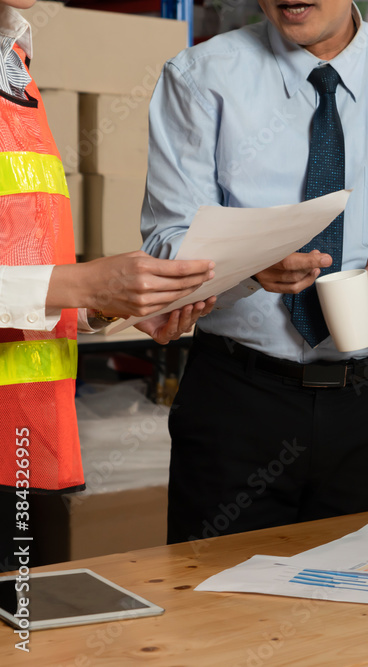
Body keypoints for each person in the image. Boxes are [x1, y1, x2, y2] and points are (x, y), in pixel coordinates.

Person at [140, 0, 368, 544]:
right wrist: (249, 265)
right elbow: (168, 241)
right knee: (215, 610)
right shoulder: (199, 77)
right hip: (238, 403)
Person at [1, 0, 214, 570]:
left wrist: (106, 303)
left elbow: (20, 258)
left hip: (22, 435)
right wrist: (85, 284)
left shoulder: (13, 58)